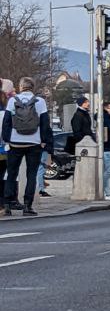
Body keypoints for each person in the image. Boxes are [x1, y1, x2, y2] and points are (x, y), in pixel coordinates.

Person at [2, 77, 53, 217]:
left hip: (14, 143)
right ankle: (27, 206)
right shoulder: (40, 101)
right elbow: (45, 123)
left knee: (11, 174)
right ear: (33, 87)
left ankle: (7, 205)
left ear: (20, 87)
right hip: (34, 143)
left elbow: (7, 122)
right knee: (31, 175)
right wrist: (44, 141)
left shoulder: (12, 101)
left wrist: (7, 139)